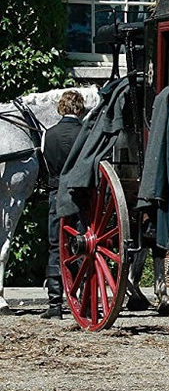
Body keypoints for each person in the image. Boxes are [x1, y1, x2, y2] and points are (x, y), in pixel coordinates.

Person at [41, 89, 86, 319]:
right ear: (80, 108)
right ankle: (81, 298)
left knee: (55, 246)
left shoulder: (48, 134)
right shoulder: (85, 134)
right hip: (79, 195)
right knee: (81, 246)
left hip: (56, 193)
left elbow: (47, 165)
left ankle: (55, 305)